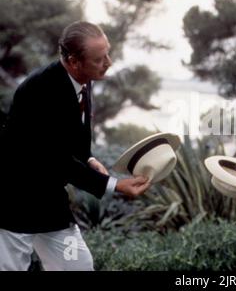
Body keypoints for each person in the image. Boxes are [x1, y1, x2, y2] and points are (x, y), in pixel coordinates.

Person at [0, 21, 151, 271]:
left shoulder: (83, 78)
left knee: (77, 265)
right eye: (99, 59)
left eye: (107, 54)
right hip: (12, 203)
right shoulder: (39, 90)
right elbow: (55, 159)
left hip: (49, 204)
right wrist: (115, 185)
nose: (109, 63)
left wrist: (89, 160)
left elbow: (73, 138)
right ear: (73, 61)